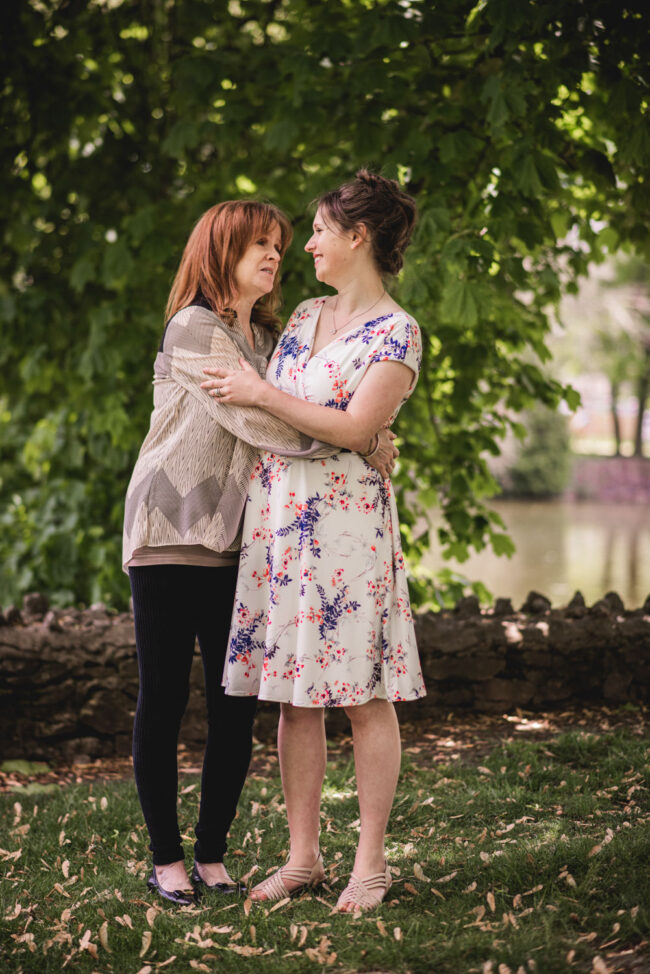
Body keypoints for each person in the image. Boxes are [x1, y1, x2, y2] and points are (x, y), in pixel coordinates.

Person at [122, 199, 397, 906]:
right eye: (259, 245)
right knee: (162, 698)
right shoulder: (193, 329)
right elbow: (256, 420)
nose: (276, 255)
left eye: (280, 244)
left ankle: (212, 855)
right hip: (168, 534)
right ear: (220, 252)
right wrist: (356, 438)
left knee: (234, 702)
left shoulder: (271, 335)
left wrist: (348, 427)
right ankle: (167, 860)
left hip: (242, 544)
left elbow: (281, 402)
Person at [200, 170, 427, 912]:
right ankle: (303, 860)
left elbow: (352, 426)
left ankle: (370, 863)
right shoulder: (300, 316)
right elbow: (292, 421)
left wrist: (362, 431)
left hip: (347, 529)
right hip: (282, 523)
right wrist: (345, 427)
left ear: (359, 236)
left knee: (361, 695)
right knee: (295, 700)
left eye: (323, 231)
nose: (312, 245)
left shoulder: (398, 332)